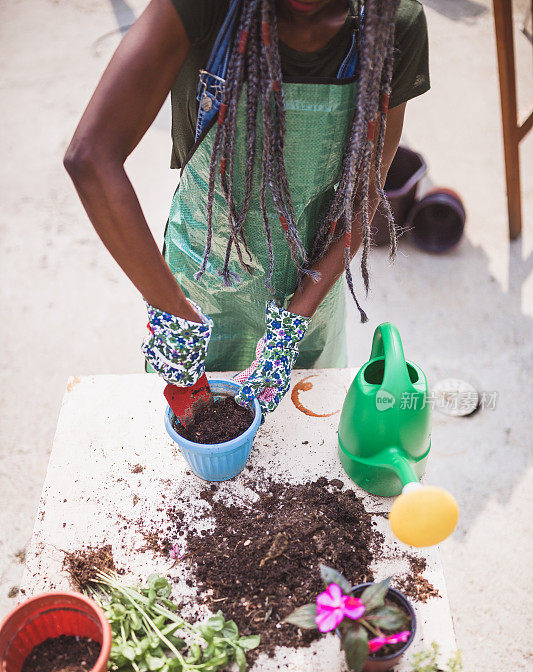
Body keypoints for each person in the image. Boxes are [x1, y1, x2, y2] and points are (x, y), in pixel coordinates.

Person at [64, 0, 429, 414]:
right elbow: (91, 158)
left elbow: (364, 193)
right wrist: (178, 323)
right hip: (202, 285)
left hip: (312, 286)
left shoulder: (391, 24)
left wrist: (292, 325)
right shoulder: (206, 8)